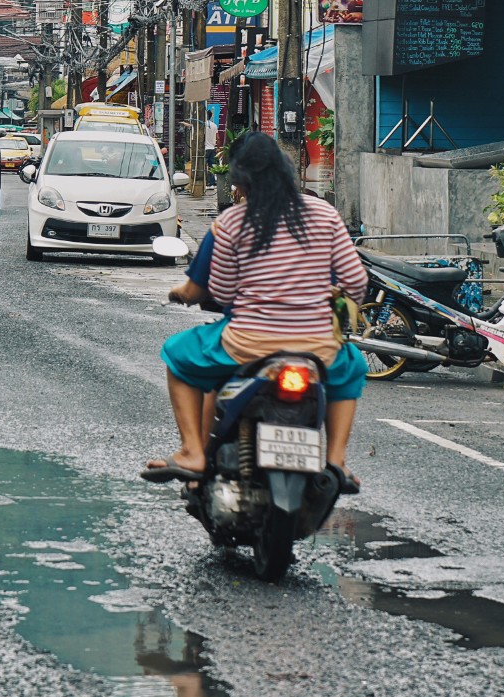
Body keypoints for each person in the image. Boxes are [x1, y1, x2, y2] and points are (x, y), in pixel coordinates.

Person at [146, 133, 369, 491]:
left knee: (177, 355)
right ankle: (337, 462)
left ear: (239, 180)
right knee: (353, 368)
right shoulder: (324, 214)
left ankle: (192, 451)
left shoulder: (233, 222)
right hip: (317, 347)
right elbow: (357, 282)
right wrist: (333, 296)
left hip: (247, 344)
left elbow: (219, 291)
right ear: (285, 170)